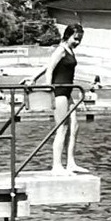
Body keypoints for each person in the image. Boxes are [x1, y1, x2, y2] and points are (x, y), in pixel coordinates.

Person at [25, 23, 87, 174]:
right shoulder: (60, 49)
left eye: (80, 39)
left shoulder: (69, 50)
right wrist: (47, 86)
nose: (77, 42)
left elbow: (46, 66)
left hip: (68, 92)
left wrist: (33, 77)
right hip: (59, 92)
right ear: (68, 35)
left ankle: (71, 162)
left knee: (74, 127)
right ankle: (57, 165)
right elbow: (50, 68)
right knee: (62, 128)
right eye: (76, 39)